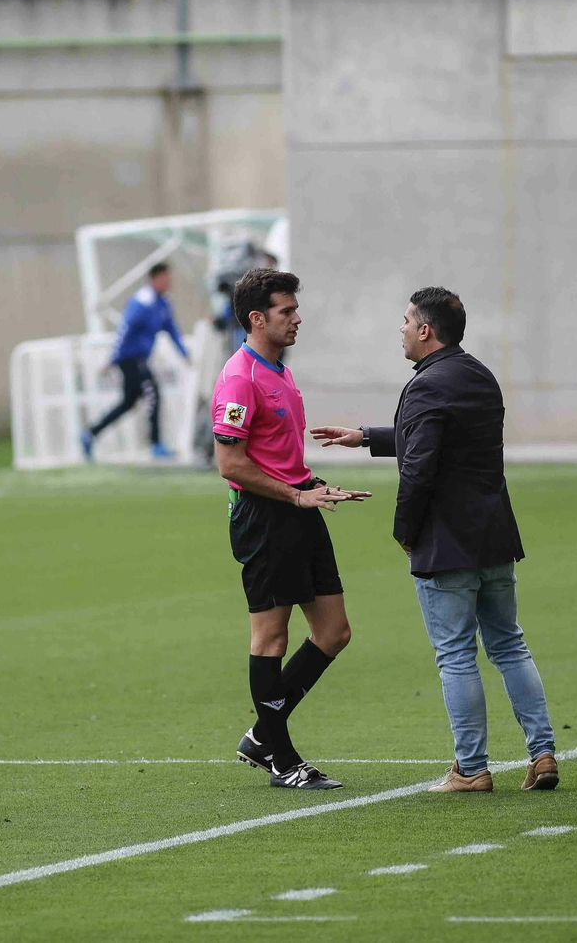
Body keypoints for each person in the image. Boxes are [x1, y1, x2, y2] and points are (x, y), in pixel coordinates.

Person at [312, 287, 558, 795]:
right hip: (493, 534)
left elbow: (421, 466)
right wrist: (367, 436)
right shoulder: (479, 375)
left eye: (405, 321)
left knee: (456, 656)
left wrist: (405, 532)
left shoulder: (425, 386)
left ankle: (471, 769)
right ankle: (543, 752)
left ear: (425, 330)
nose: (400, 329)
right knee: (510, 645)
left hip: (447, 542)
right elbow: (439, 437)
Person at [213, 268, 371, 790]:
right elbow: (230, 465)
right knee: (271, 637)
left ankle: (262, 734)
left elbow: (276, 454)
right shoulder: (240, 377)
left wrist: (312, 485)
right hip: (266, 518)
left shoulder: (277, 369)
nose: (297, 318)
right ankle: (281, 757)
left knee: (334, 632)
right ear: (258, 319)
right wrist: (295, 493)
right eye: (287, 311)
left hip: (301, 504)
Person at [81, 262, 189, 461]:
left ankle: (90, 434)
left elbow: (171, 329)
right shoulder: (142, 301)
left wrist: (184, 353)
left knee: (128, 402)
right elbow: (125, 329)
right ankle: (156, 445)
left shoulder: (163, 303)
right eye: (165, 277)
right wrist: (112, 359)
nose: (169, 281)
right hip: (130, 358)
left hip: (140, 359)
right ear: (155, 278)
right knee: (153, 393)